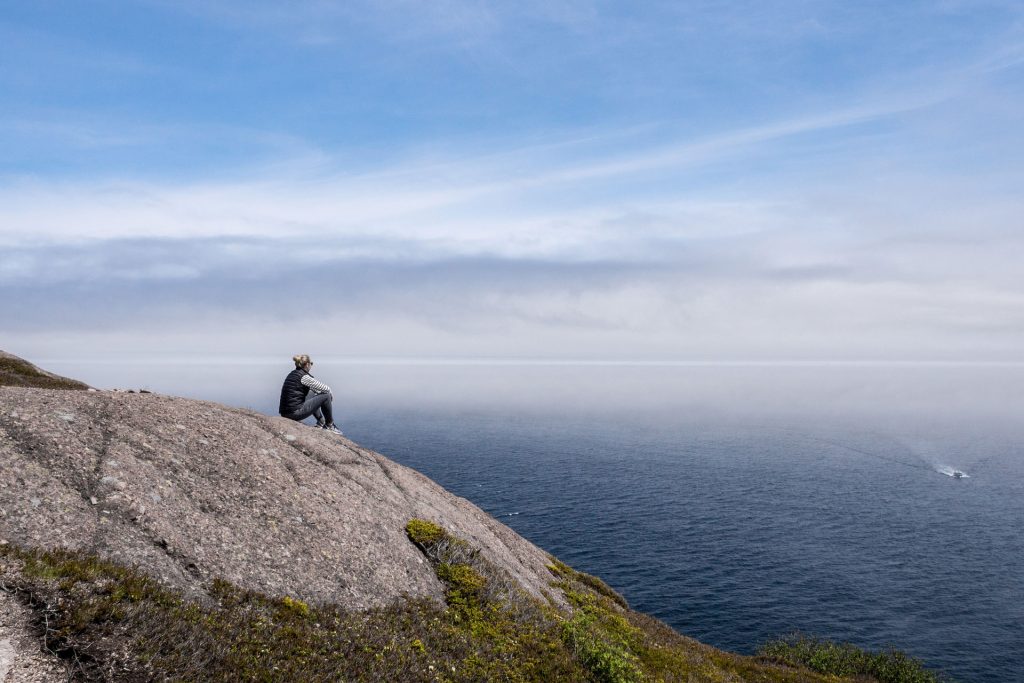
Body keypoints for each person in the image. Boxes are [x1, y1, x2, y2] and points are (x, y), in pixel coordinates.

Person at [279, 354, 343, 435]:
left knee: (312, 391)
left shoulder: (293, 374)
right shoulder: (304, 377)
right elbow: (326, 389)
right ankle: (329, 425)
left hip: (285, 412)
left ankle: (321, 422)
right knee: (326, 396)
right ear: (307, 364)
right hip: (294, 413)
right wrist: (329, 398)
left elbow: (315, 390)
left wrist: (318, 395)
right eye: (311, 364)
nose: (311, 366)